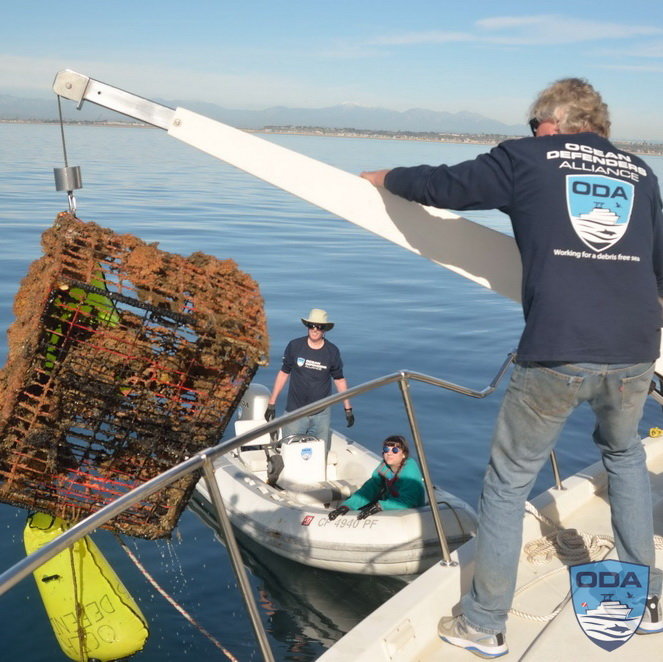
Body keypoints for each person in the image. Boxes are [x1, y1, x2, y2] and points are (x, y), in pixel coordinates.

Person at [361, 78, 663, 658]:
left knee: (508, 482)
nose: (530, 135)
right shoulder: (641, 172)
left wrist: (381, 179)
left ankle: (485, 622)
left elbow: (442, 186)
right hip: (634, 349)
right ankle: (646, 597)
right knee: (624, 457)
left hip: (558, 349)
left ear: (551, 123)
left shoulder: (528, 158)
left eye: (533, 127)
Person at [265, 308, 353, 449]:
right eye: (311, 325)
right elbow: (283, 373)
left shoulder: (332, 351)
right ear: (307, 326)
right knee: (291, 454)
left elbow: (339, 380)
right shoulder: (295, 346)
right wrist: (272, 403)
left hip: (321, 414)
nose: (315, 329)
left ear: (325, 330)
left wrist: (348, 409)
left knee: (319, 454)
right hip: (295, 412)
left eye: (319, 327)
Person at [328, 435, 425, 520]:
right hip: (390, 502)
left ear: (404, 454)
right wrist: (348, 505)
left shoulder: (409, 473)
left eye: (395, 450)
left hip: (409, 511)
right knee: (353, 502)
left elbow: (408, 502)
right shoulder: (384, 466)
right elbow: (369, 489)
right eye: (386, 450)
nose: (389, 453)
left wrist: (380, 506)